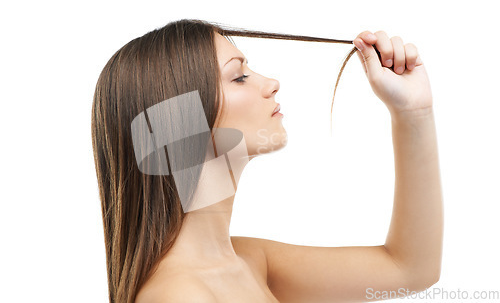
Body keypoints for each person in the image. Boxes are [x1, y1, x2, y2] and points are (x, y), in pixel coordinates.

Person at [91, 19, 443, 302]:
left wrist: (413, 112)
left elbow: (408, 269)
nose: (271, 83)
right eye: (239, 76)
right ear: (178, 123)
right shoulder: (179, 295)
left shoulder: (249, 263)